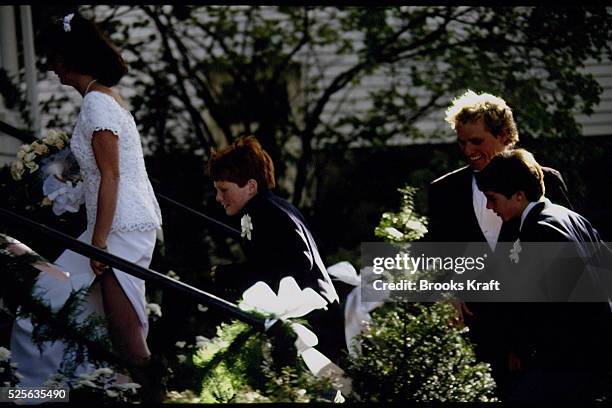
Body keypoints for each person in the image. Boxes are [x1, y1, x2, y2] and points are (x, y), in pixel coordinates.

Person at [10, 13, 162, 392]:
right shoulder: (100, 99)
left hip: (119, 229)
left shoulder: (97, 103)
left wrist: (99, 242)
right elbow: (98, 175)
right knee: (46, 296)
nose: (50, 67)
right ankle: (52, 389)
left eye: (53, 57)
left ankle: (150, 393)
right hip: (109, 225)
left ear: (68, 57)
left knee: (125, 335)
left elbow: (112, 175)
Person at [424, 90, 573, 394]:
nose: (468, 151)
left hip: (539, 335)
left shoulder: (548, 181)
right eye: (462, 143)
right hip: (475, 333)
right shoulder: (444, 191)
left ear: (505, 135)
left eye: (476, 141)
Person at [475, 149, 612, 400]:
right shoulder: (572, 218)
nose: (489, 206)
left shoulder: (540, 232)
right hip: (591, 354)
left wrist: (522, 347)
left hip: (571, 361)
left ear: (518, 195)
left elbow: (543, 307)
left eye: (493, 198)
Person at [207, 136, 344, 361]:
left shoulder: (266, 213)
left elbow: (295, 263)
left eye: (224, 190)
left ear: (251, 186)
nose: (218, 198)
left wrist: (231, 274)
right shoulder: (272, 208)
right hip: (319, 321)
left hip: (314, 326)